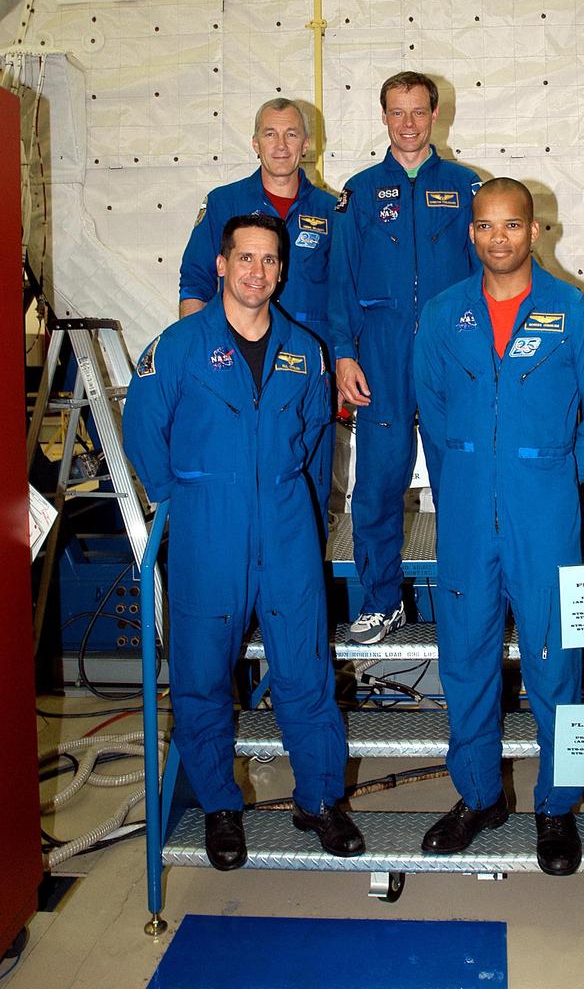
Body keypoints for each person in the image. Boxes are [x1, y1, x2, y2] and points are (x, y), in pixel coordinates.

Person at [123, 214, 363, 870]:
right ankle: (220, 808)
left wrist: (301, 509)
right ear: (222, 266)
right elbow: (143, 432)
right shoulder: (175, 346)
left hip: (287, 527)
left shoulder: (304, 350)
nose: (258, 271)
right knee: (201, 681)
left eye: (269, 260)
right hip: (208, 527)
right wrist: (186, 496)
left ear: (281, 271)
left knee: (306, 675)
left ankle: (318, 801)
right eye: (245, 258)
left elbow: (316, 438)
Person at [413, 178, 584, 875]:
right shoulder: (443, 314)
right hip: (469, 514)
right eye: (484, 226)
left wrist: (562, 468)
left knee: (554, 661)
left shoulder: (577, 314)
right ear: (471, 233)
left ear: (535, 231)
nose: (496, 237)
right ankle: (479, 798)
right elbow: (432, 402)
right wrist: (464, 473)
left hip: (544, 517)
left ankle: (555, 806)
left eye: (510, 225)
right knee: (466, 662)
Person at [329, 71, 480, 644]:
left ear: (436, 114)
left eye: (418, 112)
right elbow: (340, 282)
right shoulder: (360, 192)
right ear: (384, 117)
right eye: (397, 112)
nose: (408, 124)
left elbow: (485, 277)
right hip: (382, 359)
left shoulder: (466, 188)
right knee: (376, 485)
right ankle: (381, 601)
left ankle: (468, 598)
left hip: (450, 362)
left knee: (460, 483)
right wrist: (344, 355)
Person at [179, 99, 336, 531]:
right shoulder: (223, 203)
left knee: (307, 483)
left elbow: (346, 296)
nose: (281, 145)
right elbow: (194, 281)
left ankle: (299, 583)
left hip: (305, 373)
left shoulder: (333, 211)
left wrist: (342, 362)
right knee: (234, 477)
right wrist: (198, 357)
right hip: (235, 367)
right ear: (254, 142)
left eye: (290, 135)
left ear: (306, 144)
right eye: (270, 133)